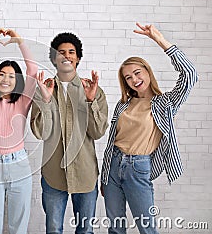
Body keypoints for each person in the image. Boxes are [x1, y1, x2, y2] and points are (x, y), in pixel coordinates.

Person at [100, 23, 198, 234]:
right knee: (115, 229)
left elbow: (190, 74)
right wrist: (104, 176)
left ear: (147, 71)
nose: (134, 80)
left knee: (147, 229)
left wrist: (160, 40)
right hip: (113, 166)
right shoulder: (123, 104)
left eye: (137, 73)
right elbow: (111, 143)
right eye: (128, 77)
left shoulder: (164, 103)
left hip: (138, 167)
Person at [30, 32, 109, 234]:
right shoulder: (43, 89)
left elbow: (98, 131)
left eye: (71, 52)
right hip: (53, 175)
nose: (66, 55)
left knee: (85, 231)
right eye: (61, 52)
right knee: (54, 230)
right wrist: (46, 102)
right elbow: (40, 132)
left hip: (85, 174)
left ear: (78, 58)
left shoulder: (93, 90)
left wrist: (90, 101)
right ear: (54, 59)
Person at [0, 28, 38, 234]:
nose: (6, 79)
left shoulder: (22, 102)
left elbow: (33, 71)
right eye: (2, 74)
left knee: (18, 225)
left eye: (11, 76)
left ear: (16, 81)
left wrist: (20, 41)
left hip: (19, 164)